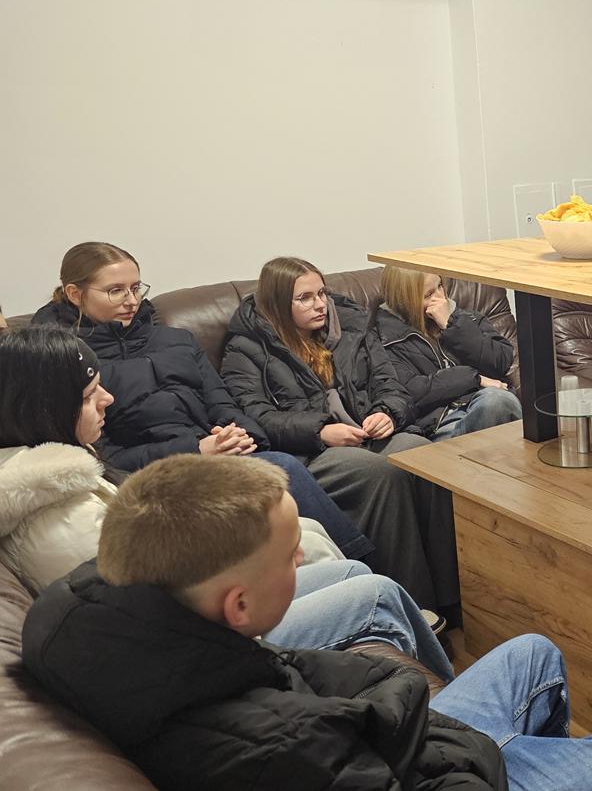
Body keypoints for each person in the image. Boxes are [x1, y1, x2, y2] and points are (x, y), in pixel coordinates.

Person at [22, 453, 592, 790]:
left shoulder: (87, 610)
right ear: (238, 606)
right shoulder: (274, 751)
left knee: (532, 652)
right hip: (454, 777)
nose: (303, 557)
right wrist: (472, 751)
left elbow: (295, 676)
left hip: (410, 747)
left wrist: (396, 699)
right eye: (289, 556)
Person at [0, 327, 450, 675]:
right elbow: (146, 608)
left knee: (345, 564)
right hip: (195, 644)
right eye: (89, 395)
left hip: (201, 609)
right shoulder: (57, 510)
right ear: (43, 409)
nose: (108, 399)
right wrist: (254, 558)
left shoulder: (63, 474)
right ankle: (446, 713)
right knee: (377, 592)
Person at [30, 242, 375, 563]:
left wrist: (239, 435)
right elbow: (101, 454)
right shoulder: (65, 361)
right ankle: (364, 569)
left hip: (220, 455)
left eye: (136, 288)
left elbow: (223, 404)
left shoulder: (176, 339)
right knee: (283, 469)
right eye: (115, 291)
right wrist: (196, 450)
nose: (131, 300)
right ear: (75, 294)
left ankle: (359, 577)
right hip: (156, 477)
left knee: (312, 479)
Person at [220, 256, 459, 615]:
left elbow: (389, 383)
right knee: (382, 474)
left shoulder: (351, 325)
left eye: (322, 293)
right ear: (278, 304)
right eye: (305, 298)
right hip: (312, 451)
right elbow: (256, 417)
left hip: (368, 432)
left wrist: (386, 412)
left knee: (424, 458)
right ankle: (411, 605)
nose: (320, 304)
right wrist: (319, 430)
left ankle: (456, 597)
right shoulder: (246, 348)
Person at [375, 265, 522, 440]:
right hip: (441, 423)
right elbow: (410, 391)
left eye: (440, 286)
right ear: (405, 301)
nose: (441, 298)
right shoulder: (386, 339)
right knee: (497, 403)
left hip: (487, 401)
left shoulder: (467, 318)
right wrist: (474, 379)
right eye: (428, 295)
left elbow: (502, 359)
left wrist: (452, 325)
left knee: (498, 402)